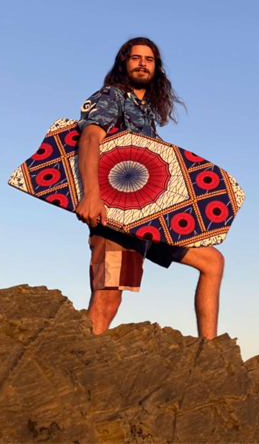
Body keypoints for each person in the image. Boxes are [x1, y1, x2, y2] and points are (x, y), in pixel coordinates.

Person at [75, 37, 225, 339]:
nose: (143, 63)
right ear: (123, 63)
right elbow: (90, 139)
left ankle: (210, 349)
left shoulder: (146, 113)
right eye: (136, 57)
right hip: (114, 217)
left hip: (147, 218)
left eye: (149, 59)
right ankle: (81, 362)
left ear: (156, 68)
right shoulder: (112, 97)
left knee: (212, 261)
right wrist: (90, 195)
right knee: (109, 296)